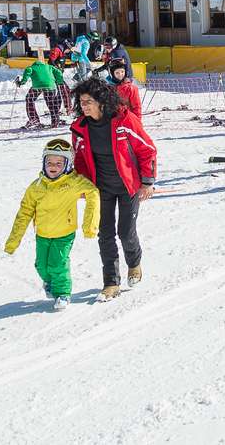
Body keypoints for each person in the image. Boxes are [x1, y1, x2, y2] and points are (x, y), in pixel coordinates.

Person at [69, 77, 157, 298]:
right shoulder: (80, 128)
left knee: (125, 232)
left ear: (101, 101)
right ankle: (111, 282)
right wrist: (82, 184)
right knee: (105, 234)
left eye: (88, 101)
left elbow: (147, 150)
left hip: (128, 186)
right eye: (81, 102)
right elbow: (79, 159)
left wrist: (147, 182)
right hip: (101, 189)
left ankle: (134, 263)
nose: (84, 106)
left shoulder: (124, 120)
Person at [3, 137, 99, 310]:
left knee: (58, 263)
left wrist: (90, 226)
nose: (53, 167)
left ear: (68, 165)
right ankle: (50, 282)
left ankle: (63, 293)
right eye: (50, 162)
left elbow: (93, 193)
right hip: (43, 234)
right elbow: (24, 213)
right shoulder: (36, 187)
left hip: (64, 233)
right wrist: (13, 241)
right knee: (41, 265)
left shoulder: (74, 182)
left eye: (59, 163)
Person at [18, 53, 65, 129]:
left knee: (29, 99)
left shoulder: (32, 67)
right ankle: (55, 121)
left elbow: (27, 72)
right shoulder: (49, 66)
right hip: (50, 86)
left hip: (37, 86)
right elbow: (58, 72)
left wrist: (21, 82)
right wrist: (60, 82)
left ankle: (34, 119)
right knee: (51, 103)